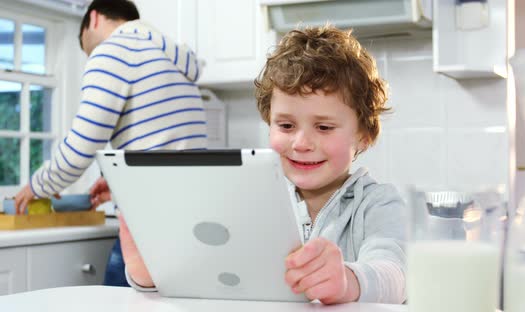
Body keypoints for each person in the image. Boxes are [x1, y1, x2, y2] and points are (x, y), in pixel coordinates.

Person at [120, 24, 407, 304]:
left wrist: (348, 281)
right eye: (285, 125)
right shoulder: (247, 201)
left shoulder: (378, 204)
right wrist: (153, 274)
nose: (301, 143)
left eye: (324, 127)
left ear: (364, 136)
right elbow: (208, 276)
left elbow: (396, 275)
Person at [13, 0, 206, 287]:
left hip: (148, 221)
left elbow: (81, 148)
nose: (89, 53)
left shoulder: (113, 51)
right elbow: (164, 141)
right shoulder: (170, 56)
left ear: (93, 18)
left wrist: (37, 185)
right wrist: (118, 181)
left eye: (85, 46)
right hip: (193, 215)